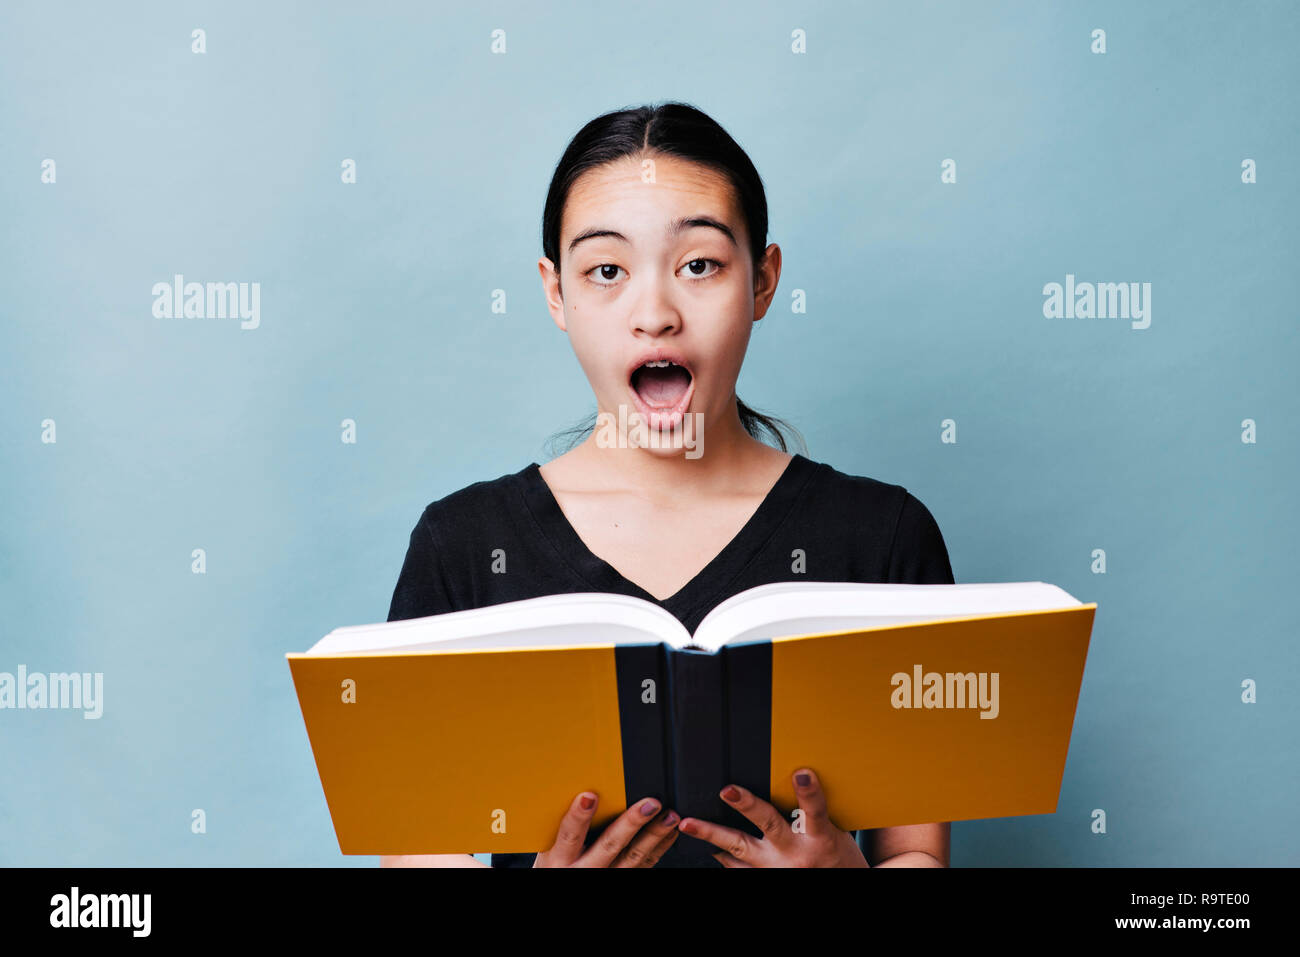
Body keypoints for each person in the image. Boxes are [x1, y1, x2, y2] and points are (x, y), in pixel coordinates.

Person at [380, 102, 953, 868]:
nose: (654, 314)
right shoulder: (461, 549)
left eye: (699, 264)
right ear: (557, 292)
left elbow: (917, 855)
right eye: (606, 271)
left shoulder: (884, 538)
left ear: (764, 280)